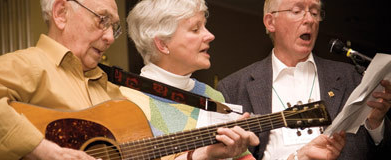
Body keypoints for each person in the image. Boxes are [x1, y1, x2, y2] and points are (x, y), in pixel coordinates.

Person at [123, 0, 346, 160]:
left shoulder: (214, 97)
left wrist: (300, 156)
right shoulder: (122, 101)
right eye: (195, 29)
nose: (210, 35)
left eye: (205, 26)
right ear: (162, 44)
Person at [216, 0, 391, 159]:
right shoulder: (233, 88)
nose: (309, 20)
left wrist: (375, 122)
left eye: (315, 13)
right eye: (297, 11)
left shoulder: (351, 77)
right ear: (270, 22)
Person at [0, 0, 124, 159]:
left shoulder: (113, 92)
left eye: (114, 27)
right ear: (61, 13)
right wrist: (43, 150)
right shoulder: (25, 64)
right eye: (102, 20)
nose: (110, 37)